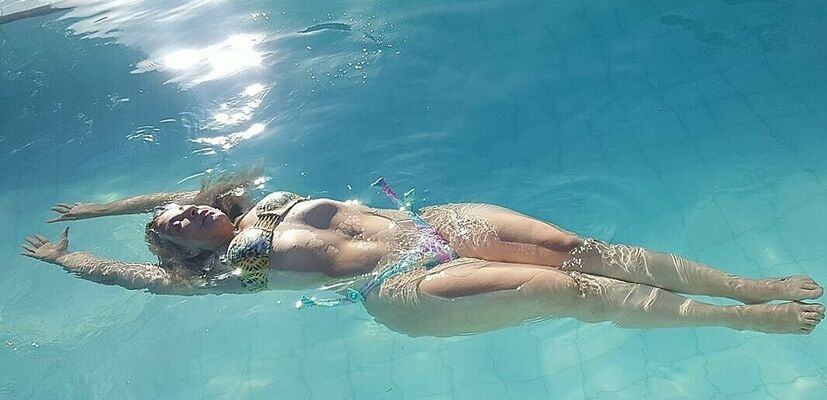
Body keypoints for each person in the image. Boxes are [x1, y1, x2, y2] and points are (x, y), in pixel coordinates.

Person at [21, 173, 824, 336]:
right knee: (575, 290)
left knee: (582, 250)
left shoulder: (261, 201)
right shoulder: (235, 270)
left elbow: (177, 191)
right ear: (182, 248)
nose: (186, 211)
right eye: (175, 224)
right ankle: (736, 320)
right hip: (405, 282)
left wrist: (100, 206)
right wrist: (70, 261)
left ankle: (746, 286)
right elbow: (146, 281)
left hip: (433, 225)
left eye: (182, 205)